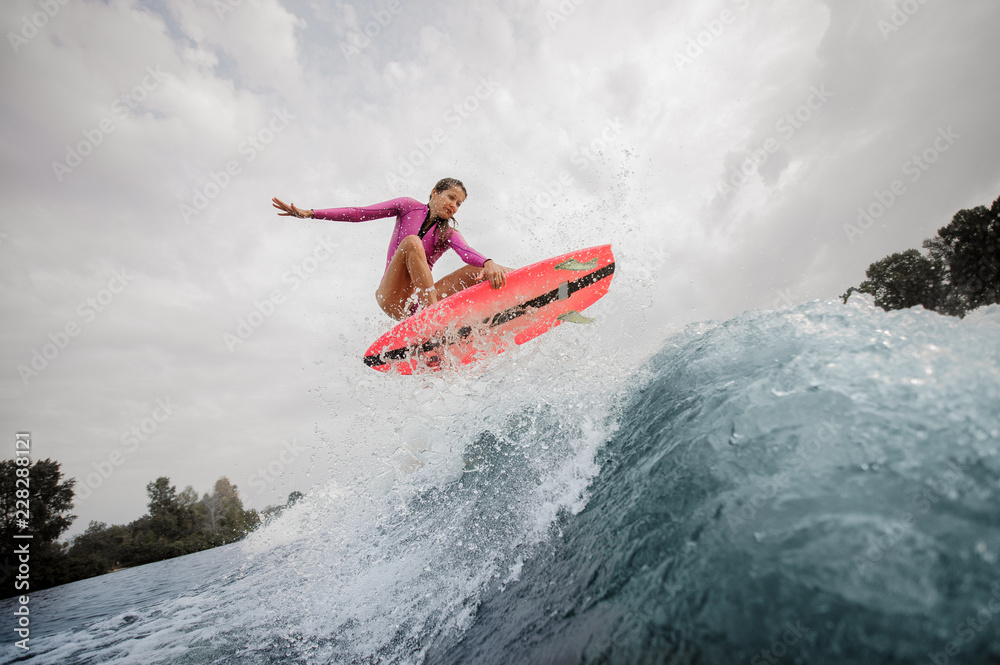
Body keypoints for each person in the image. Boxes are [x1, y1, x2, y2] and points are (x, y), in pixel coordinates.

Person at [272, 178, 510, 320]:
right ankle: (433, 318)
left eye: (459, 204)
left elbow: (466, 251)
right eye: (450, 197)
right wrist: (311, 213)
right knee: (412, 243)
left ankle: (534, 283)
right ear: (434, 192)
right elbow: (359, 213)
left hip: (422, 302)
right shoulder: (407, 207)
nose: (453, 205)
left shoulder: (447, 233)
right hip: (393, 298)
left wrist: (488, 263)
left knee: (479, 268)